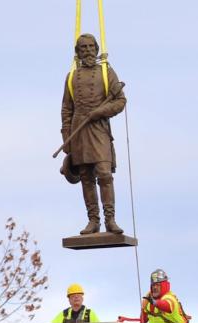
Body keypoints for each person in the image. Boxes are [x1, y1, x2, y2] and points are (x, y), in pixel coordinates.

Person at [61, 33, 127, 235]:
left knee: (104, 174)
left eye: (91, 47)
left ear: (97, 49)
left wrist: (100, 112)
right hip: (79, 131)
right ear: (78, 52)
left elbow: (120, 101)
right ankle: (93, 220)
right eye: (83, 47)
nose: (88, 50)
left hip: (99, 129)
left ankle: (110, 219)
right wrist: (66, 139)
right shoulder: (72, 76)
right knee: (86, 177)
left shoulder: (107, 72)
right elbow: (66, 109)